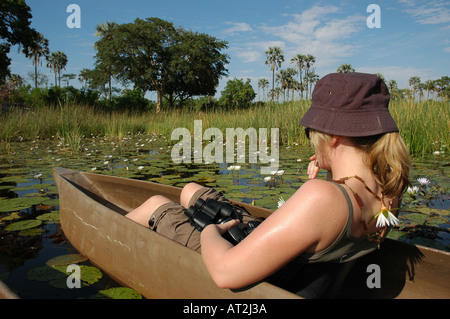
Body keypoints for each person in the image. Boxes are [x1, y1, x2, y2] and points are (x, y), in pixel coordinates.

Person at [125, 72, 411, 291]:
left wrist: (210, 232)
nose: (311, 140)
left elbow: (225, 272)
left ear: (333, 136)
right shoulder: (389, 191)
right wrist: (326, 177)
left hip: (249, 272)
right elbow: (336, 223)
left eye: (310, 132)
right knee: (189, 190)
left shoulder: (322, 197)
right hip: (286, 266)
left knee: (156, 204)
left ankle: (112, 238)